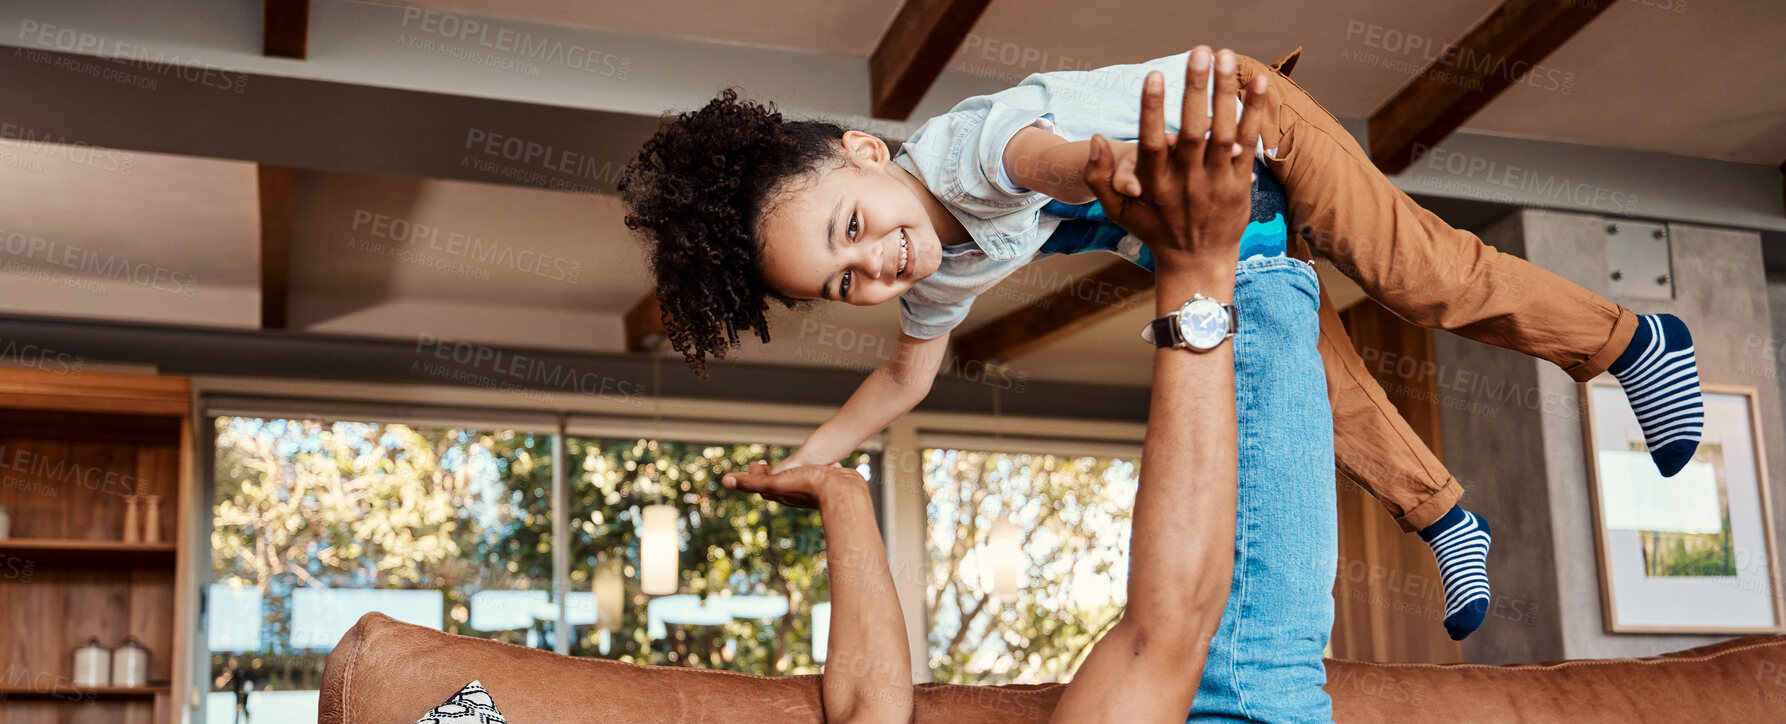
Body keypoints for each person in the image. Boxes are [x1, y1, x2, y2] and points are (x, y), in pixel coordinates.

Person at [543, 50, 1501, 724]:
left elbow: (869, 715)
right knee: (1228, 678)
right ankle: (1266, 280)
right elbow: (1159, 639)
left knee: (1192, 712)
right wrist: (1190, 279)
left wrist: (843, 499)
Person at [618, 45, 1704, 643]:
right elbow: (905, 375)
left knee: (1419, 278)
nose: (875, 265)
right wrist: (810, 459)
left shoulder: (965, 154)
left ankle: (1628, 341)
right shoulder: (939, 264)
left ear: (866, 151)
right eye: (842, 280)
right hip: (1206, 221)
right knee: (1317, 373)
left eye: (851, 228)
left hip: (1254, 135)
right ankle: (1444, 516)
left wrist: (1110, 180)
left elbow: (1043, 157)